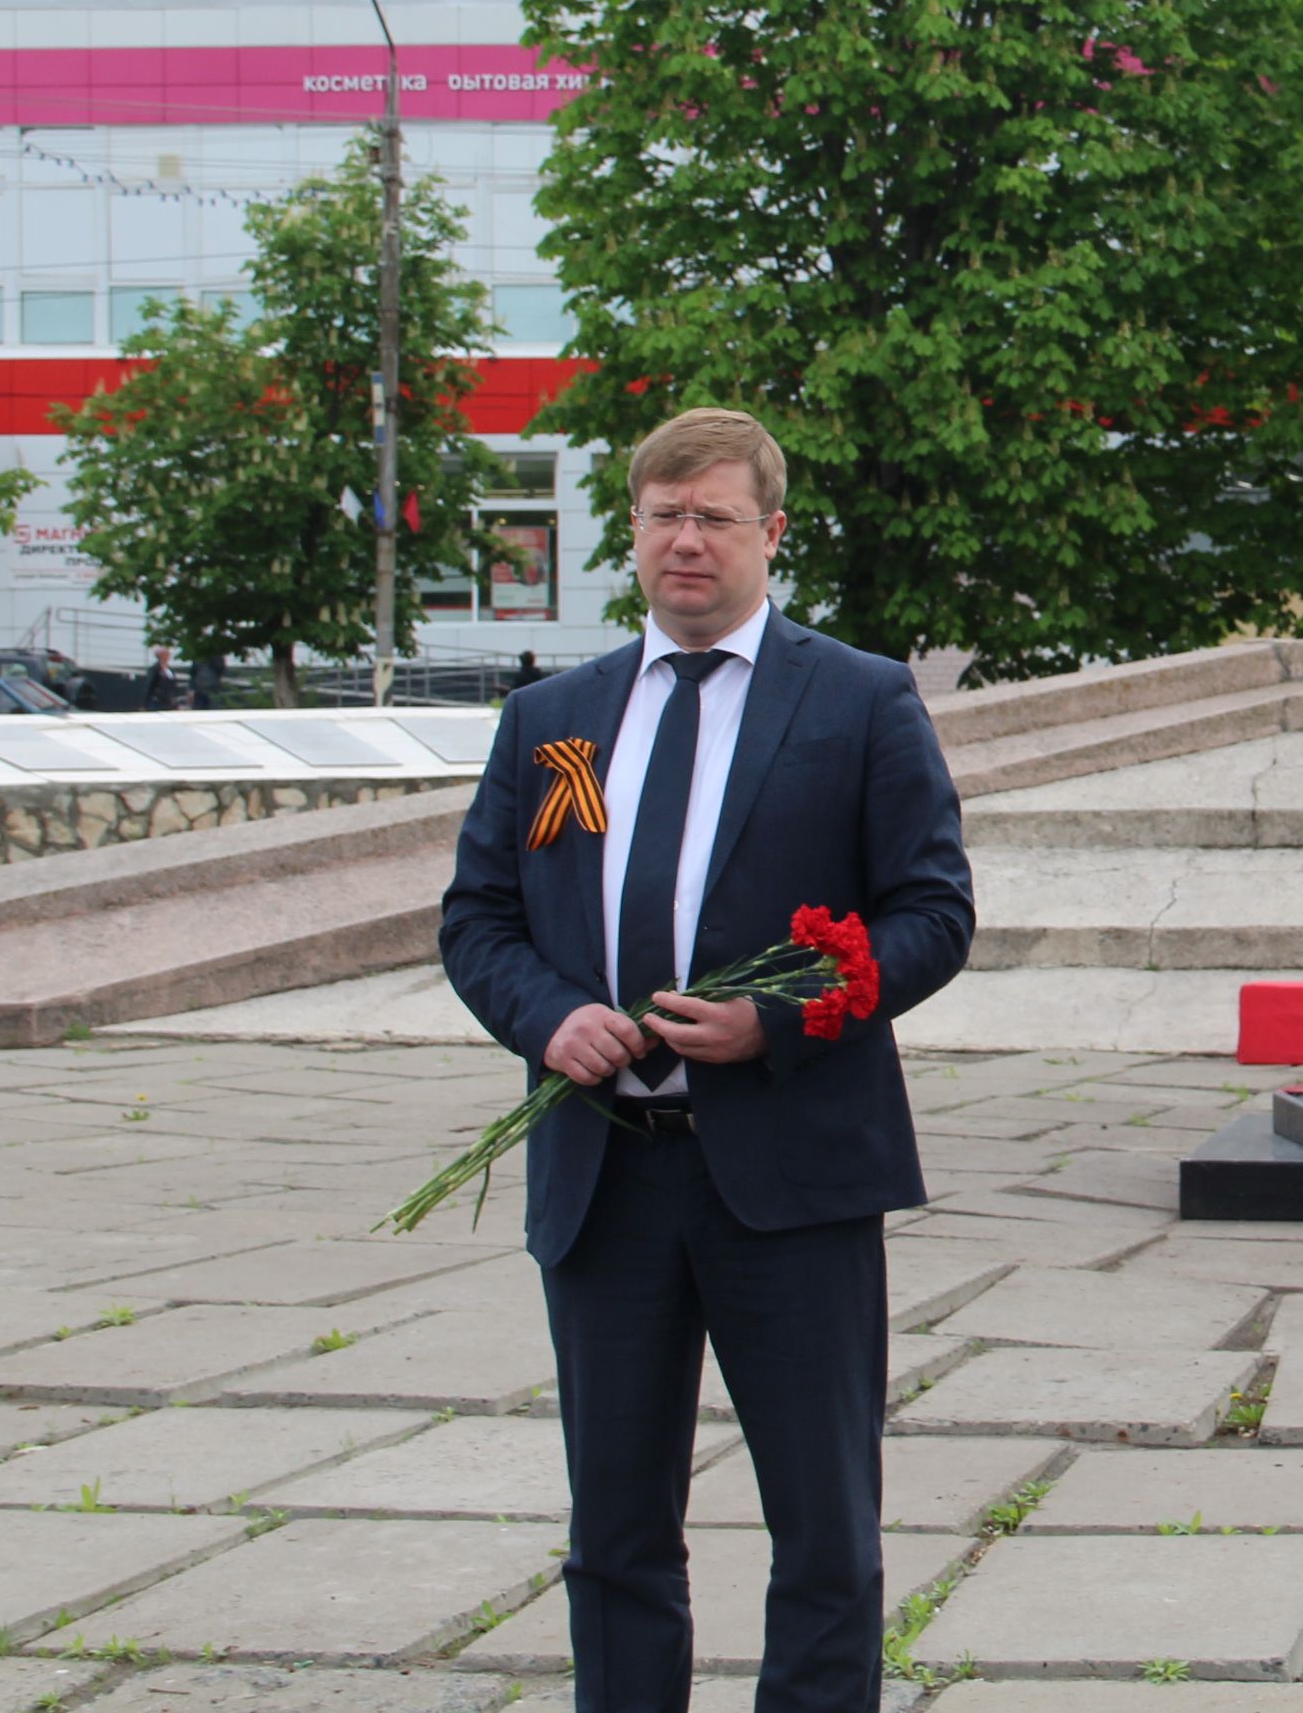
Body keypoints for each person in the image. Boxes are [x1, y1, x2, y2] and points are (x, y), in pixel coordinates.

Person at [439, 407, 972, 1713]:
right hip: (604, 1179)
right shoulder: (552, 720)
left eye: (714, 518)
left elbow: (933, 914)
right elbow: (479, 918)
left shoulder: (855, 700)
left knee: (825, 1530)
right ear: (634, 533)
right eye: (664, 516)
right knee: (615, 1533)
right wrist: (545, 1016)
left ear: (770, 535)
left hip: (791, 1180)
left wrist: (778, 1021)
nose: (687, 541)